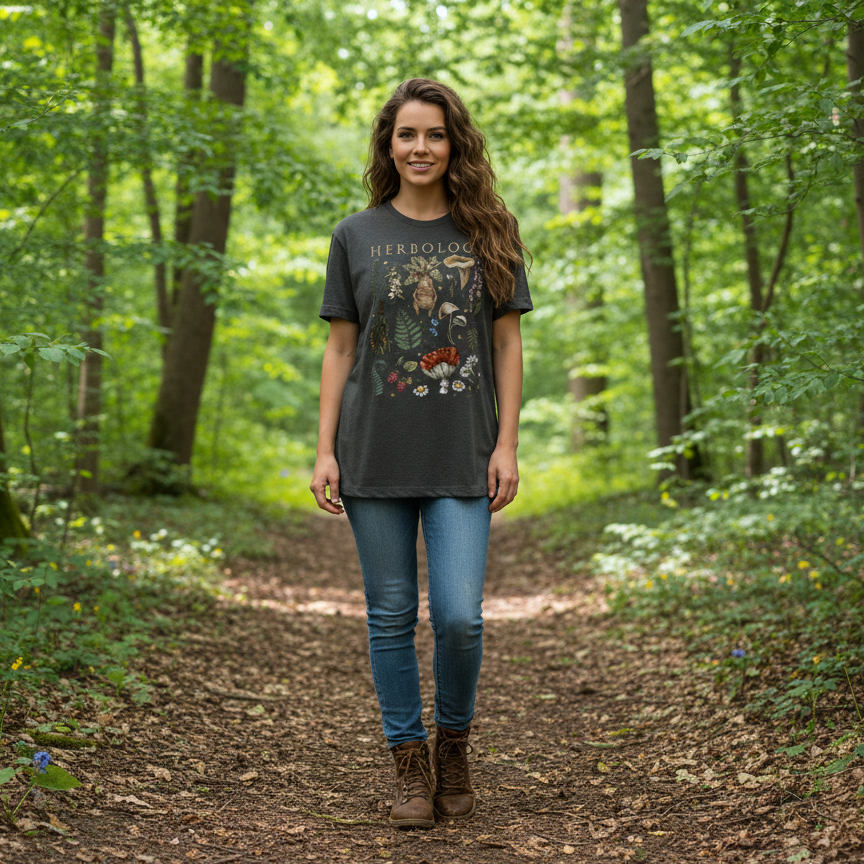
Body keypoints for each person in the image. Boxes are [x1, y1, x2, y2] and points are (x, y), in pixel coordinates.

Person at [310, 78, 532, 829]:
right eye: (407, 134)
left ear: (454, 143)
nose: (421, 148)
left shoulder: (490, 230)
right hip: (372, 452)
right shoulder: (356, 235)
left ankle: (454, 745)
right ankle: (409, 761)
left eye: (435, 134)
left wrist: (506, 443)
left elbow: (507, 343)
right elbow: (341, 348)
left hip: (462, 453)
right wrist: (324, 450)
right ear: (389, 144)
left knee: (460, 616)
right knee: (391, 614)